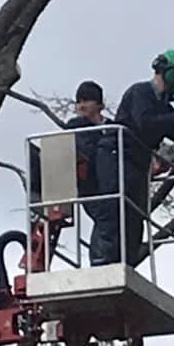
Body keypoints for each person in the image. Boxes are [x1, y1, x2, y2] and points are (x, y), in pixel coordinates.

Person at [93, 49, 174, 266]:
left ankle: (124, 264)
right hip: (116, 158)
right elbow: (145, 123)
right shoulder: (140, 93)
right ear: (171, 75)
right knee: (113, 212)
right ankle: (102, 263)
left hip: (136, 166)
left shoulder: (163, 108)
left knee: (135, 221)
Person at [65, 81, 115, 266]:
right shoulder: (75, 128)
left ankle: (106, 257)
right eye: (78, 101)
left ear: (100, 105)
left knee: (113, 220)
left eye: (87, 100)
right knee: (105, 217)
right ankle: (99, 259)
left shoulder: (113, 128)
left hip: (111, 184)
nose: (81, 105)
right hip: (90, 186)